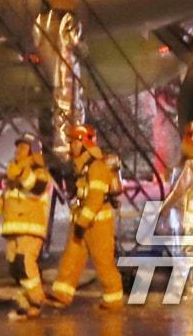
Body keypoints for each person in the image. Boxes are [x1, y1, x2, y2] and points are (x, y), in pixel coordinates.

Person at [0, 133, 52, 319]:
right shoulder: (14, 175)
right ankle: (27, 304)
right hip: (13, 230)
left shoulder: (40, 172)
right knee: (15, 269)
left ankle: (36, 301)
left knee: (24, 264)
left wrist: (20, 172)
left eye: (23, 147)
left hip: (30, 229)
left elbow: (36, 187)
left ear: (32, 151)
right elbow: (3, 201)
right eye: (18, 147)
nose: (18, 151)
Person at [48, 124, 124, 311]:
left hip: (98, 225)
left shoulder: (97, 167)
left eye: (74, 141)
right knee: (71, 257)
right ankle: (61, 295)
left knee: (103, 261)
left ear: (84, 143)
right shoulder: (83, 166)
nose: (71, 145)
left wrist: (83, 221)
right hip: (82, 222)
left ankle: (113, 300)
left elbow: (96, 198)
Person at [157, 120, 193, 299]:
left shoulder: (191, 165)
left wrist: (163, 209)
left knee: (186, 254)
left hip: (189, 218)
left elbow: (178, 190)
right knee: (190, 253)